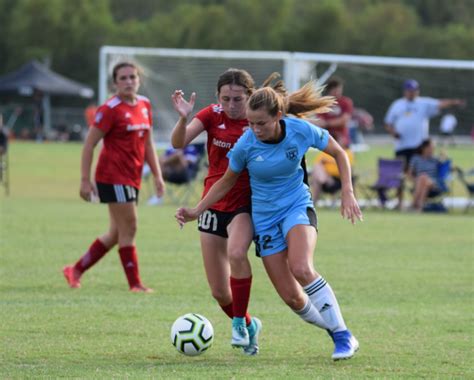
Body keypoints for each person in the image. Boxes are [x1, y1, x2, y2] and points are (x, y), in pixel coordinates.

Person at [176, 73, 363, 360]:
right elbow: (225, 182)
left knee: (301, 267)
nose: (254, 129)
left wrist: (347, 191)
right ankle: (335, 330)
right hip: (264, 219)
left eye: (260, 123)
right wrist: (196, 210)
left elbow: (338, 152)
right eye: (250, 124)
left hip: (296, 207)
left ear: (278, 116)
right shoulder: (246, 143)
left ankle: (343, 336)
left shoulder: (299, 130)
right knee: (292, 297)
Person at [170, 68, 261, 355]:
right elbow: (178, 143)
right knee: (219, 292)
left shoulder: (259, 118)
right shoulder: (212, 114)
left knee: (236, 253)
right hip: (211, 202)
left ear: (250, 96)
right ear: (218, 98)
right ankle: (249, 324)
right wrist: (184, 117)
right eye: (226, 99)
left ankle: (237, 327)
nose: (232, 106)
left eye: (238, 99)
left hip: (244, 203)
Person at [63, 62, 165, 292]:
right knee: (130, 226)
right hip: (113, 176)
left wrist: (157, 175)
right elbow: (89, 144)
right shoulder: (110, 109)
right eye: (123, 78)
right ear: (115, 83)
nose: (129, 82)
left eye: (132, 77)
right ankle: (135, 284)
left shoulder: (145, 105)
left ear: (139, 80)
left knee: (116, 232)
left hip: (133, 176)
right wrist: (84, 180)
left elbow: (147, 142)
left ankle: (75, 269)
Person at [384, 79, 465, 209]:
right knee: (401, 175)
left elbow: (440, 104)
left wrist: (454, 102)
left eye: (414, 90)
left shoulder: (423, 103)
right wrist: (393, 132)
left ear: (417, 91)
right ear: (405, 91)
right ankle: (399, 202)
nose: (411, 93)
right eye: (409, 90)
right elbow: (388, 123)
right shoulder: (397, 104)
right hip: (402, 146)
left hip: (418, 147)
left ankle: (418, 203)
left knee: (421, 174)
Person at [407, 138, 450, 212]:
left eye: (433, 148)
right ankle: (419, 207)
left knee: (423, 177)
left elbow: (446, 167)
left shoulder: (435, 159)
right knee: (423, 180)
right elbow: (409, 174)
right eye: (430, 148)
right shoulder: (415, 158)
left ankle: (413, 205)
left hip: (434, 184)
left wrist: (444, 155)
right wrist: (415, 181)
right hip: (420, 183)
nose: (432, 150)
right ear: (424, 148)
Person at [317, 76, 353, 148]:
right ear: (329, 90)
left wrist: (327, 123)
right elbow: (320, 121)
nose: (338, 92)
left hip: (341, 135)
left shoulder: (346, 102)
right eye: (335, 90)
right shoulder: (323, 103)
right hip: (327, 135)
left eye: (339, 89)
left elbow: (344, 120)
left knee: (339, 145)